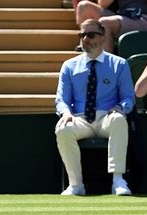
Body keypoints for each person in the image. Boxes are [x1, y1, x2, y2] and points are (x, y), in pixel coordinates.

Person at [55, 19, 135, 196]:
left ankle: (118, 180)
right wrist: (66, 113)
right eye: (82, 35)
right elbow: (61, 99)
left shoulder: (119, 64)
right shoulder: (69, 66)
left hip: (107, 117)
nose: (85, 39)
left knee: (119, 120)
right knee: (63, 129)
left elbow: (129, 97)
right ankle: (76, 184)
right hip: (80, 118)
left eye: (90, 35)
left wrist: (121, 108)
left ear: (103, 36)